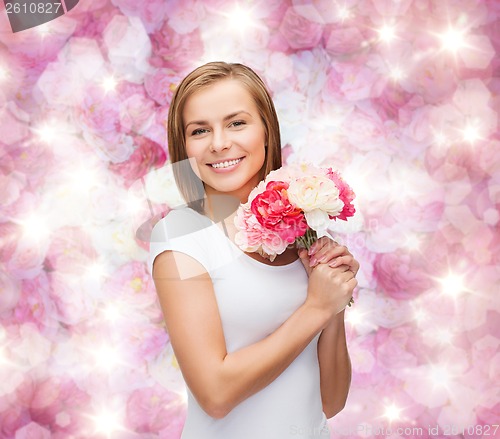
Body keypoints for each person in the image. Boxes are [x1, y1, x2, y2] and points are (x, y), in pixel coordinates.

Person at [148, 61, 359, 439]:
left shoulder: (302, 229)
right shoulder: (181, 236)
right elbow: (216, 393)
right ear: (184, 147)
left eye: (236, 123)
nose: (218, 143)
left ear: (266, 130)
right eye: (199, 130)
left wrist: (334, 301)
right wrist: (317, 307)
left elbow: (330, 401)